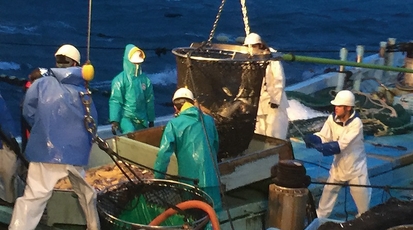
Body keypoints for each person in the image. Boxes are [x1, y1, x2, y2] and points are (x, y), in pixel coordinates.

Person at [9, 44, 100, 230]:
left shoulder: (41, 84)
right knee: (87, 194)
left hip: (44, 152)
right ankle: (94, 226)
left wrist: (42, 129)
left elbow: (28, 111)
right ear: (76, 63)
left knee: (33, 199)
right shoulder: (83, 92)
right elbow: (92, 124)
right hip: (75, 155)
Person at [303, 90, 371, 218]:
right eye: (336, 106)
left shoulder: (356, 124)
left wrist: (324, 148)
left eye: (339, 106)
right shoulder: (331, 119)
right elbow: (324, 136)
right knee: (328, 193)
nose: (336, 108)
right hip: (338, 166)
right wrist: (314, 139)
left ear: (348, 108)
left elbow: (342, 144)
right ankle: (319, 218)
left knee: (363, 203)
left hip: (355, 169)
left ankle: (365, 220)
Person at [153, 87, 222, 212]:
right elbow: (216, 145)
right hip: (212, 179)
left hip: (189, 182)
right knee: (213, 216)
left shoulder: (174, 124)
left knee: (193, 217)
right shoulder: (209, 120)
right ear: (192, 102)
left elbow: (163, 154)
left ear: (175, 107)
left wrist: (158, 178)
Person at [244, 33, 290, 139]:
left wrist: (275, 100)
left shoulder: (272, 57)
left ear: (260, 45)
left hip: (273, 104)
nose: (251, 49)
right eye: (248, 46)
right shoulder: (247, 58)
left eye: (253, 46)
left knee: (274, 132)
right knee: (259, 132)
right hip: (258, 103)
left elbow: (279, 79)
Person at [109, 44, 155, 134]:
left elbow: (149, 100)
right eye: (135, 63)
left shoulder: (145, 80)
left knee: (143, 139)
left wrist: (151, 119)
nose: (137, 65)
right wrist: (115, 120)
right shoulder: (120, 80)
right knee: (130, 133)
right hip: (126, 118)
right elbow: (115, 100)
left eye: (138, 63)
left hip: (142, 119)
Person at [0, 92, 20, 205]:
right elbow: (5, 122)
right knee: (9, 180)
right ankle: (10, 207)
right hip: (4, 146)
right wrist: (12, 140)